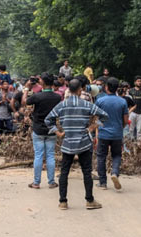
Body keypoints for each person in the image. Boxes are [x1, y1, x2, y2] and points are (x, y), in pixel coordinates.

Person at [45, 78, 108, 210]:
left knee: (64, 172)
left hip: (67, 142)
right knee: (86, 171)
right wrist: (93, 126)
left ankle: (63, 202)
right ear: (80, 90)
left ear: (68, 89)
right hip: (84, 142)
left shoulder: (62, 105)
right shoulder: (86, 104)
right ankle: (89, 201)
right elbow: (104, 116)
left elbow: (48, 119)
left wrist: (58, 132)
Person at [22, 73, 62, 189]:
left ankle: (36, 182)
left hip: (38, 129)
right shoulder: (57, 97)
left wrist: (26, 88)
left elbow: (24, 101)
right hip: (51, 129)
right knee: (50, 156)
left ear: (42, 83)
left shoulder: (37, 96)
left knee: (38, 156)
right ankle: (51, 182)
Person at [95, 77, 128, 191]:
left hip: (103, 133)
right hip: (117, 134)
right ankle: (114, 172)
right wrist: (120, 128)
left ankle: (103, 182)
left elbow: (96, 119)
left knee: (101, 157)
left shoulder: (100, 101)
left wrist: (98, 130)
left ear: (106, 87)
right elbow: (125, 120)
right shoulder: (123, 101)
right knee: (117, 155)